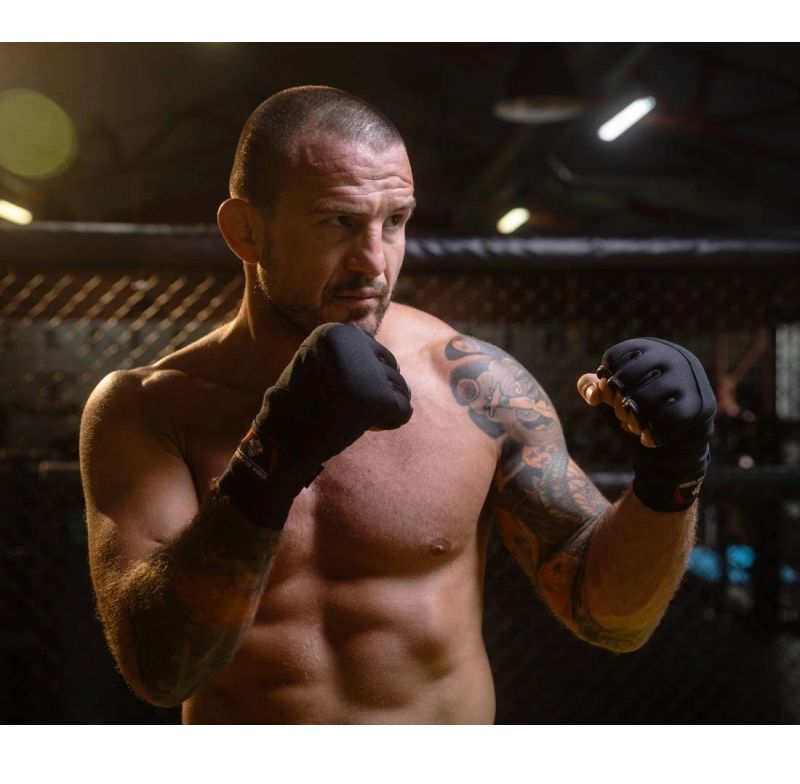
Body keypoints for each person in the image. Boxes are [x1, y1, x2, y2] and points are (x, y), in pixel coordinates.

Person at [80, 86, 716, 724]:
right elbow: (161, 671)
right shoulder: (148, 410)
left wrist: (673, 470)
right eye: (338, 221)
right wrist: (270, 459)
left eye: (394, 222)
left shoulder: (474, 385)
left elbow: (612, 619)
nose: (374, 263)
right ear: (245, 231)